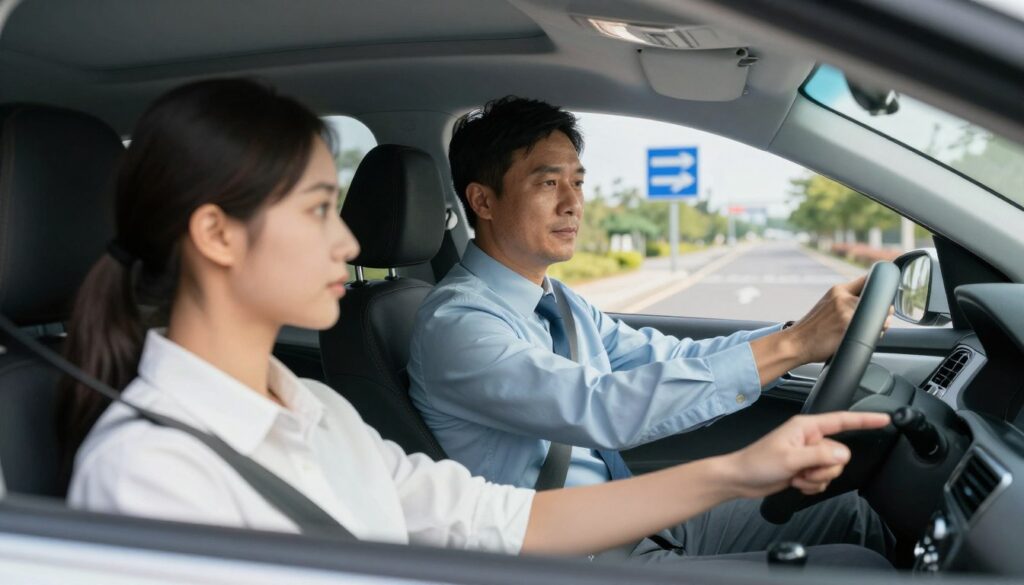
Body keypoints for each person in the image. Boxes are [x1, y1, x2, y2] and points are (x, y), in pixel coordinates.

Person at [63, 79, 889, 564]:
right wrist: (791, 347)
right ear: (216, 234)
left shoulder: (318, 413)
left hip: (594, 532)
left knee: (852, 537)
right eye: (318, 208)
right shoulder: (149, 470)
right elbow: (598, 409)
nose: (348, 240)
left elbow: (496, 519)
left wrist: (743, 468)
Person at [407, 96, 896, 564]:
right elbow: (599, 407)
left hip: (628, 520)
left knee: (849, 512)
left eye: (578, 182)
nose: (573, 203)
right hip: (568, 557)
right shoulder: (458, 326)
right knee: (855, 568)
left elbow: (668, 358)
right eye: (548, 183)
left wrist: (798, 333)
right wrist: (793, 346)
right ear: (483, 201)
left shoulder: (560, 302)